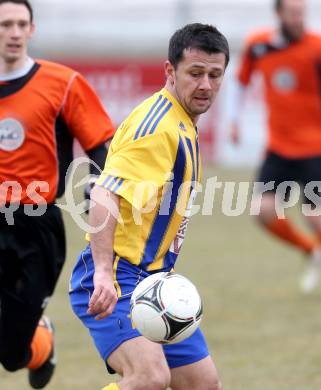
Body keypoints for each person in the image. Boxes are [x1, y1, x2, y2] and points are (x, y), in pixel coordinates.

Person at [70, 23, 229, 390]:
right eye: (195, 73)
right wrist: (103, 273)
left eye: (214, 74)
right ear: (170, 72)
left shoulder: (183, 121)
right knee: (148, 377)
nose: (205, 84)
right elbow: (103, 194)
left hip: (155, 281)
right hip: (120, 278)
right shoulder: (157, 127)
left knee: (202, 384)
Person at [0, 0, 115, 388]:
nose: (14, 32)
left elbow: (101, 142)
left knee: (11, 353)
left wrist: (96, 184)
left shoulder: (62, 82)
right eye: (5, 25)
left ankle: (41, 340)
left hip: (36, 227)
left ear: (31, 29)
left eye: (21, 24)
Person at [230, 0, 321, 293]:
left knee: (314, 214)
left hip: (314, 147)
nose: (299, 20)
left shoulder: (316, 48)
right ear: (279, 14)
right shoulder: (259, 45)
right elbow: (241, 81)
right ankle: (312, 251)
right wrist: (234, 119)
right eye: (293, 14)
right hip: (279, 147)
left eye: (302, 14)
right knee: (263, 212)